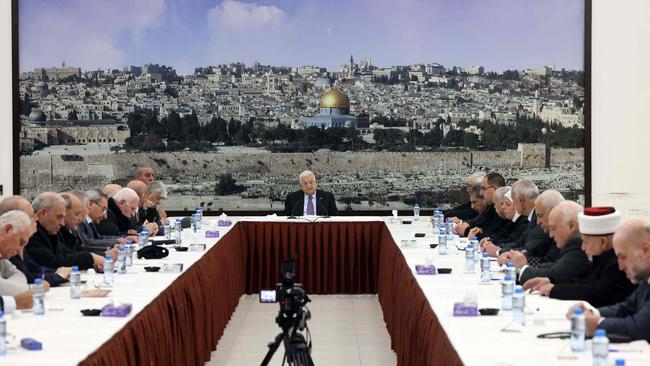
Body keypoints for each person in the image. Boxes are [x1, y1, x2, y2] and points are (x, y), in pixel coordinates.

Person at [524, 207, 635, 307]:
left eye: (586, 242)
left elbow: (593, 293)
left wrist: (554, 289)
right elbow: (585, 282)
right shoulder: (601, 257)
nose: (582, 247)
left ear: (603, 242)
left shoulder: (618, 264)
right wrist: (550, 281)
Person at [566, 219, 650, 341]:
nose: (620, 267)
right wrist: (593, 313)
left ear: (646, 250)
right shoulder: (645, 278)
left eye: (623, 257)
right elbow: (627, 307)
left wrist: (597, 324)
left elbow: (639, 328)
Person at [508, 201, 591, 284]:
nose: (551, 235)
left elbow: (556, 274)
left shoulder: (579, 243)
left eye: (554, 228)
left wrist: (522, 267)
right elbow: (554, 266)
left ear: (572, 225)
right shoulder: (572, 242)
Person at [0, 196, 70, 286]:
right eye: (32, 215)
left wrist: (58, 272)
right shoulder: (9, 248)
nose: (36, 218)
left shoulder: (15, 242)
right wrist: (59, 275)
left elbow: (28, 270)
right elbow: (26, 278)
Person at [25, 192, 103, 271]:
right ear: (43, 213)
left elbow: (68, 253)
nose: (62, 223)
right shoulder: (31, 234)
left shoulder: (50, 231)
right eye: (59, 217)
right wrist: (90, 258)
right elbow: (51, 262)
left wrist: (92, 261)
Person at [0, 210, 36, 314]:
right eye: (21, 242)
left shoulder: (2, 256)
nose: (20, 250)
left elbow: (18, 274)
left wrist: (14, 288)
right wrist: (32, 289)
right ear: (8, 230)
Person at [454, 172, 507, 238]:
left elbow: (496, 236)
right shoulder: (491, 206)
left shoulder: (504, 208)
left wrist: (467, 231)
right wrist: (466, 224)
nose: (481, 192)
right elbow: (479, 221)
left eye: (484, 189)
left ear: (494, 189)